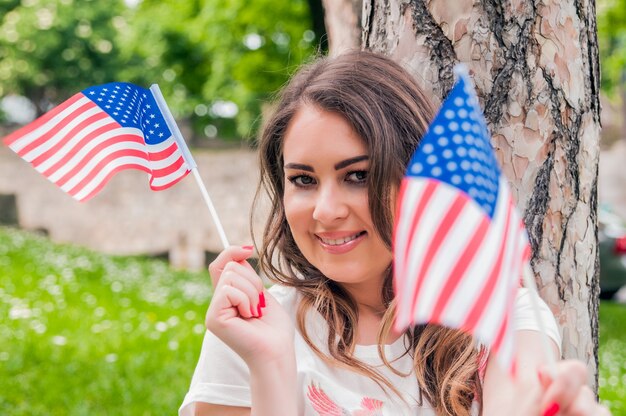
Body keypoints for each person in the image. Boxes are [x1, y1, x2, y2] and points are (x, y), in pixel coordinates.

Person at [179, 51, 610, 416]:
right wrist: (269, 364)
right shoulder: (252, 330)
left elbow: (524, 401)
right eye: (304, 180)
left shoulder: (501, 317)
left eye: (358, 175)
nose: (326, 212)